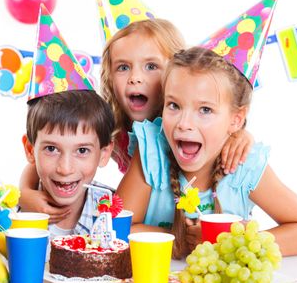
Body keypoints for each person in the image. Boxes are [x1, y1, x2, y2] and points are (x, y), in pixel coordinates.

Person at [19, 19, 253, 221]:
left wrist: (241, 134)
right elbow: (50, 150)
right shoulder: (114, 124)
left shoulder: (188, 126)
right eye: (123, 67)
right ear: (110, 77)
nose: (135, 78)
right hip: (150, 222)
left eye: (151, 66)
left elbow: (224, 126)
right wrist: (25, 191)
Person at [117, 47, 297, 258]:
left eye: (205, 110)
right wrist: (180, 242)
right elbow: (115, 230)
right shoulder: (151, 155)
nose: (184, 123)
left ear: (236, 119)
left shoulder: (244, 165)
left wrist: (238, 243)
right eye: (174, 105)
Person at [22, 90, 115, 237]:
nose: (65, 169)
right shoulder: (4, 216)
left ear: (103, 154)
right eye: (51, 149)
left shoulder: (116, 213)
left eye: (82, 150)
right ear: (30, 150)